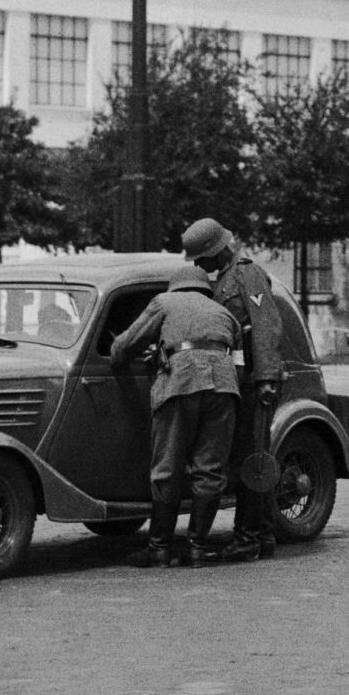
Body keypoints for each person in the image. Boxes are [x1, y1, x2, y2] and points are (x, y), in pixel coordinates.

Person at [109, 263, 245, 567]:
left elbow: (126, 345)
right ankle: (198, 547)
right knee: (210, 468)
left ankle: (159, 547)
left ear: (175, 287)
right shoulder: (223, 313)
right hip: (223, 386)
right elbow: (231, 348)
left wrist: (120, 354)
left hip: (180, 383)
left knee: (167, 465)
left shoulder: (163, 303)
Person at [182, 217, 285, 560]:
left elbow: (265, 325)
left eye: (201, 258)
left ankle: (248, 538)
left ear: (216, 251)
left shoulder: (247, 274)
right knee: (252, 457)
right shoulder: (224, 279)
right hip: (241, 378)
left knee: (250, 459)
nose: (198, 265)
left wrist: (267, 378)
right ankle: (265, 535)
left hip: (257, 380)